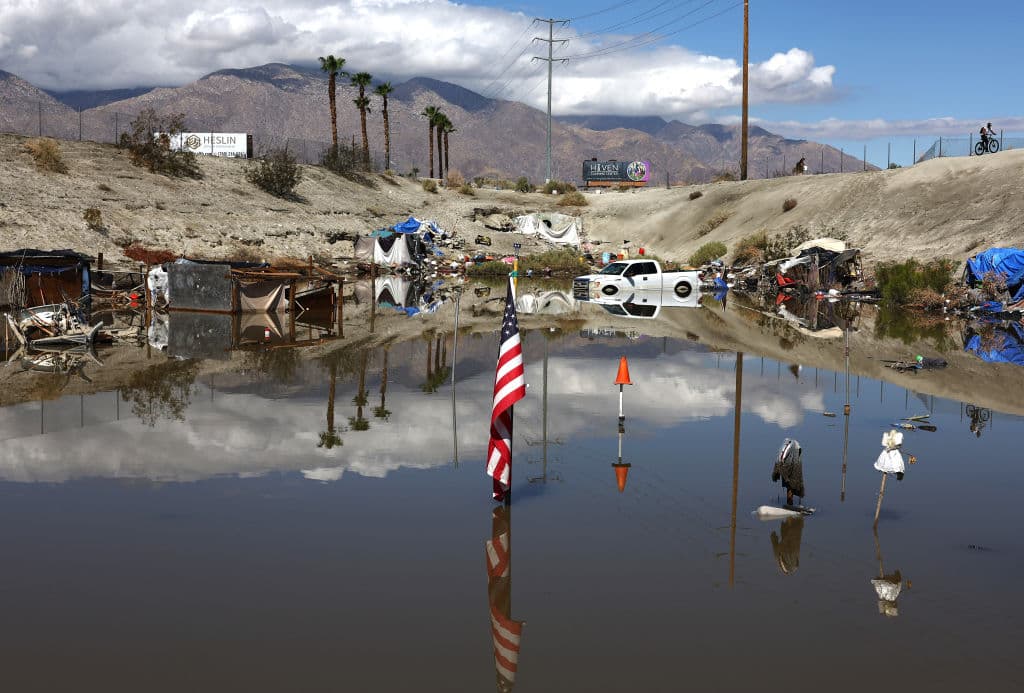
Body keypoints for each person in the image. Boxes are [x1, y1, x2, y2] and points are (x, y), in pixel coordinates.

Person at [771, 438, 804, 506]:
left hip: (791, 472)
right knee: (789, 486)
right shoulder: (787, 450)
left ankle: (789, 504)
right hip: (787, 471)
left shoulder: (794, 451)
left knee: (791, 486)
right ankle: (789, 504)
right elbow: (779, 461)